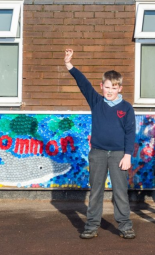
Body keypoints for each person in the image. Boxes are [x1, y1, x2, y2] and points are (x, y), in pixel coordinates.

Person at [64, 49, 136, 240]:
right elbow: (83, 84)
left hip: (120, 155)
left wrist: (128, 155)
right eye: (106, 87)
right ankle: (91, 226)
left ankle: (125, 226)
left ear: (120, 88)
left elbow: (130, 133)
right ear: (101, 87)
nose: (110, 91)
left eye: (114, 87)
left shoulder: (127, 107)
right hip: (97, 153)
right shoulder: (96, 101)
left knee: (120, 191)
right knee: (96, 190)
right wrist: (69, 65)